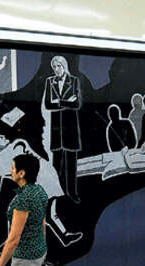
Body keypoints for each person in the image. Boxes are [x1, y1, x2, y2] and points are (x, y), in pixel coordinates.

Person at [0, 130, 83, 247]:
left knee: (26, 211)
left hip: (44, 179)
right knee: (46, 213)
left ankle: (14, 242)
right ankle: (64, 237)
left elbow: (28, 160)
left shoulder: (17, 144)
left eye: (0, 134)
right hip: (42, 180)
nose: (2, 136)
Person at [43, 55, 82, 203]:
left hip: (70, 128)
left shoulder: (74, 81)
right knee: (56, 166)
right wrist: (66, 102)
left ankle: (72, 192)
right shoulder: (49, 81)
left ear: (64, 66)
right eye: (54, 67)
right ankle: (56, 194)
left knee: (71, 165)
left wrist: (58, 102)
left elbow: (76, 104)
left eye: (58, 66)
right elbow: (48, 104)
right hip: (56, 129)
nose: (56, 69)